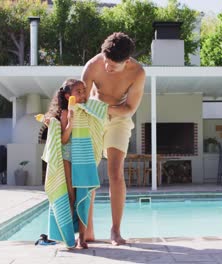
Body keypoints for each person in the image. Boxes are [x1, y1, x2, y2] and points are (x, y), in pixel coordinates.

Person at [81, 32, 145, 245]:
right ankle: (87, 229)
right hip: (93, 118)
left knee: (115, 172)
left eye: (113, 66)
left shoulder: (137, 72)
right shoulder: (93, 66)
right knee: (89, 172)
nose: (107, 67)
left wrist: (103, 108)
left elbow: (129, 108)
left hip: (119, 118)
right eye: (106, 62)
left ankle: (115, 231)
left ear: (126, 62)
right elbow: (81, 101)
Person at [45, 79, 88, 248]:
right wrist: (70, 122)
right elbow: (63, 140)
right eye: (79, 92)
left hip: (81, 159)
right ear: (67, 95)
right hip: (67, 159)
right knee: (71, 197)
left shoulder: (84, 111)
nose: (83, 95)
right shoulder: (64, 113)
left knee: (83, 198)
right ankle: (69, 238)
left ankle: (82, 239)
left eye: (83, 91)